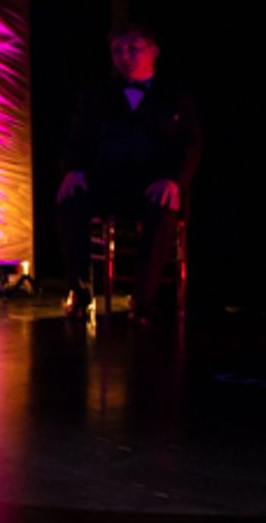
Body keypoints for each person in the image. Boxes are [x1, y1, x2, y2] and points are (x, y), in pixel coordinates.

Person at [55, 23, 201, 321]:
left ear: (153, 51)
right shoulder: (97, 95)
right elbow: (76, 140)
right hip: (107, 182)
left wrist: (174, 180)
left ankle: (143, 299)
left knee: (161, 207)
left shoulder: (175, 96)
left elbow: (191, 146)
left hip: (152, 184)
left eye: (133, 49)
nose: (125, 56)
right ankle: (80, 291)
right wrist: (72, 171)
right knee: (70, 199)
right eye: (118, 50)